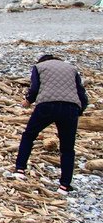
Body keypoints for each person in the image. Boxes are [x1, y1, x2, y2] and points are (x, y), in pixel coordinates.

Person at [14, 54, 89, 194]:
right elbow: (81, 93)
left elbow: (35, 88)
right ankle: (64, 186)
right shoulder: (72, 68)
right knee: (67, 148)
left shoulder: (38, 67)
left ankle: (20, 169)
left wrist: (28, 101)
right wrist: (80, 110)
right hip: (70, 108)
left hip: (46, 106)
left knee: (29, 135)